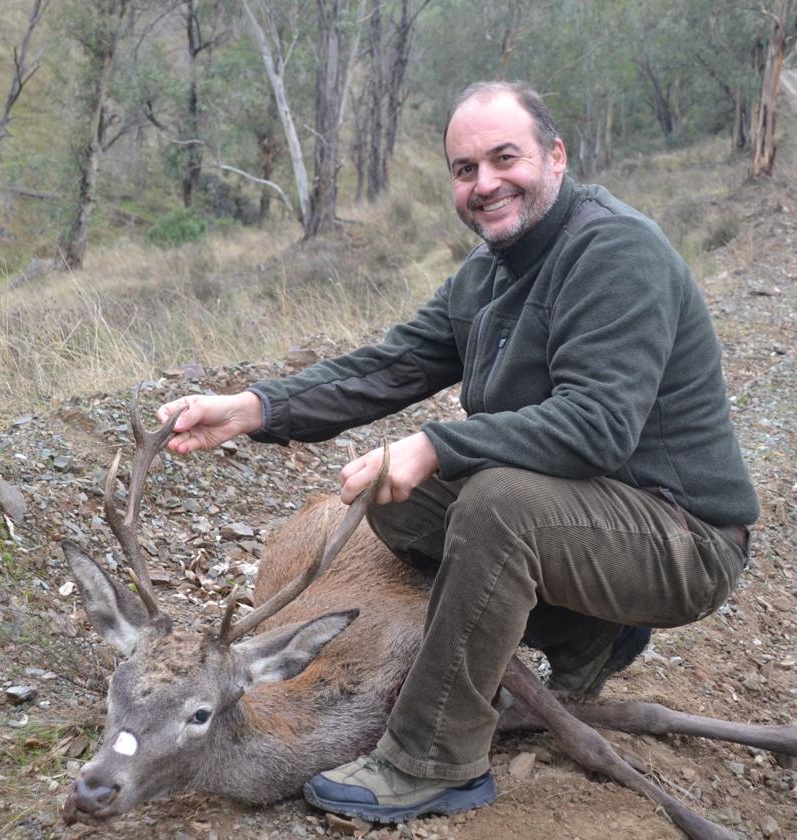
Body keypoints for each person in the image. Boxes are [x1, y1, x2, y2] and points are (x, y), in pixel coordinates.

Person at [155, 80, 758, 824]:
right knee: (395, 504)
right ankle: (591, 632)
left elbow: (599, 424)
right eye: (465, 169)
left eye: (505, 159)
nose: (485, 184)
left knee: (496, 504)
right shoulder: (491, 272)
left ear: (556, 156)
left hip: (681, 537)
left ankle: (434, 758)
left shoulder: (615, 251)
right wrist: (254, 407)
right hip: (595, 511)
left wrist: (436, 443)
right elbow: (386, 367)